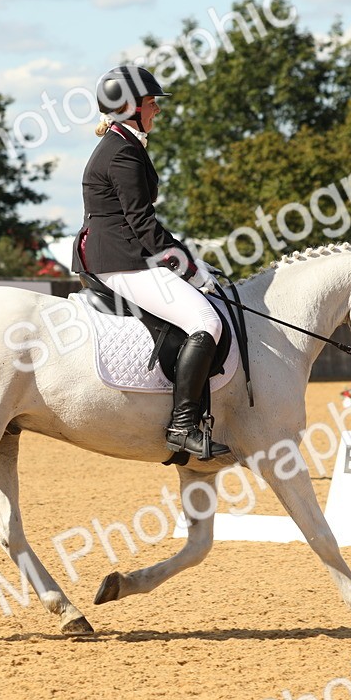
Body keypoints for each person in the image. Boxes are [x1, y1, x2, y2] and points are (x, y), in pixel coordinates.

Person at [72, 65, 230, 459]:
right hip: (120, 259)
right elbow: (142, 223)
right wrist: (190, 267)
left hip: (119, 253)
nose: (156, 110)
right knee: (206, 321)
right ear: (129, 107)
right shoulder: (122, 150)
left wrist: (186, 258)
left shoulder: (124, 143)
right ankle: (182, 425)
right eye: (150, 104)